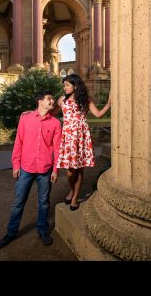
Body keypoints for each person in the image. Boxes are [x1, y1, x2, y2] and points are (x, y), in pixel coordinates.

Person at [0, 90, 61, 249]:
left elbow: (58, 148)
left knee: (44, 202)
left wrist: (55, 170)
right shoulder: (25, 119)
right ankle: (11, 233)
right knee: (18, 203)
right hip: (26, 168)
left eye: (52, 99)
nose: (52, 102)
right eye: (49, 99)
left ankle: (42, 230)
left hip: (45, 170)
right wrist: (16, 165)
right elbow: (19, 142)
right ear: (40, 101)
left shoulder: (56, 123)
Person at [53, 74, 110, 211]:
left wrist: (108, 104)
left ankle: (74, 197)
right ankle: (72, 190)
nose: (64, 87)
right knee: (69, 172)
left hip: (81, 136)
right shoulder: (62, 100)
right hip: (68, 137)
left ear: (75, 86)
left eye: (67, 85)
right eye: (64, 85)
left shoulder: (86, 100)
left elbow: (98, 114)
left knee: (79, 169)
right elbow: (52, 113)